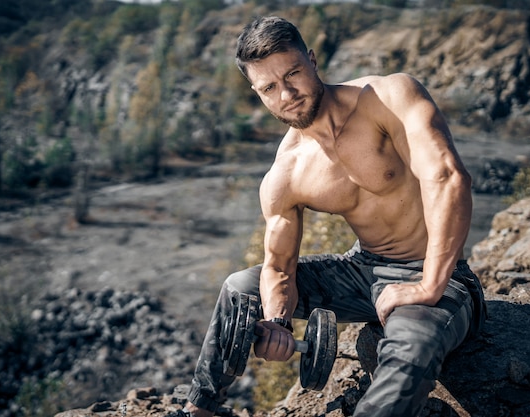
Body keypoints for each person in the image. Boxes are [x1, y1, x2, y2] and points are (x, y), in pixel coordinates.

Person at [182, 15, 486, 417]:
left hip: (438, 275)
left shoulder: (388, 96)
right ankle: (199, 408)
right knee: (241, 286)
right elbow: (279, 268)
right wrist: (277, 322)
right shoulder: (287, 172)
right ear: (257, 93)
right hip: (364, 269)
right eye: (269, 88)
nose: (286, 93)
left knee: (410, 347)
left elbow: (448, 177)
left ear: (311, 60)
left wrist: (429, 285)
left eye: (292, 74)